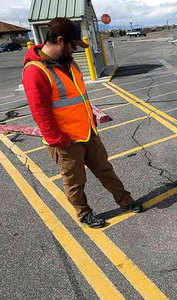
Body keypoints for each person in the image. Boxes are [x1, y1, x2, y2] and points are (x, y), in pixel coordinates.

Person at [22, 18, 142, 228]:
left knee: (106, 170)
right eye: (73, 46)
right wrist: (58, 140)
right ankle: (84, 213)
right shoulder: (35, 71)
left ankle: (125, 200)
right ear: (60, 41)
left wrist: (92, 122)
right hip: (65, 141)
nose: (75, 51)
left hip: (87, 132)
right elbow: (40, 112)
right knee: (75, 182)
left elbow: (79, 97)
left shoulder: (70, 64)